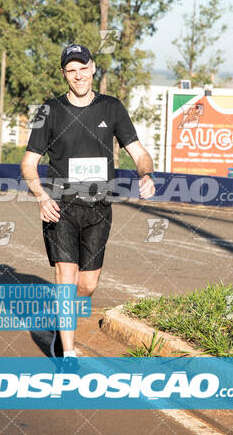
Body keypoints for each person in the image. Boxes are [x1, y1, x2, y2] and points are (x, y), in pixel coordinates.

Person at [21, 43, 156, 359]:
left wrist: (146, 175)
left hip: (98, 209)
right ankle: (68, 352)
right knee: (66, 280)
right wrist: (41, 197)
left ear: (93, 68)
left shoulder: (112, 108)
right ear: (64, 74)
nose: (78, 75)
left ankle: (59, 323)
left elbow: (139, 152)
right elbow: (29, 164)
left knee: (87, 286)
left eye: (83, 68)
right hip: (60, 206)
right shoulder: (48, 111)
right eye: (71, 70)